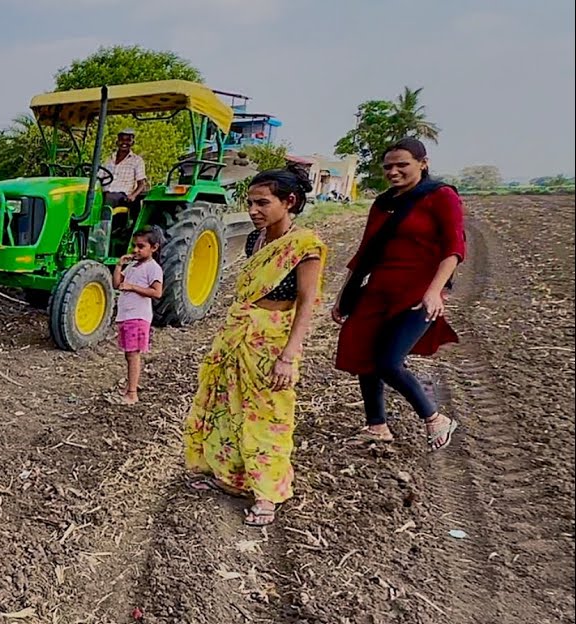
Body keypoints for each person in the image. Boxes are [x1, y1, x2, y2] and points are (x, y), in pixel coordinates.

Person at [183, 165, 326, 527]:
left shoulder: (305, 246)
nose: (253, 210)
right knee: (227, 404)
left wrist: (288, 356)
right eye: (250, 203)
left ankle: (267, 494)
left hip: (272, 340)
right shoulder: (254, 240)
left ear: (289, 201)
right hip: (239, 333)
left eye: (262, 203)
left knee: (268, 415)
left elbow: (307, 303)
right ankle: (230, 477)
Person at [331, 138, 462, 450]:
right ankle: (377, 426)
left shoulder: (441, 196)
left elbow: (454, 248)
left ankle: (435, 418)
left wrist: (435, 291)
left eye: (402, 165)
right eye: (388, 166)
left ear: (423, 163)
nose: (393, 171)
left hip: (417, 293)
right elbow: (365, 252)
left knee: (388, 362)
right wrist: (343, 295)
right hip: (378, 290)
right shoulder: (383, 203)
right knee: (362, 352)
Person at [110, 228, 164, 406]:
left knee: (133, 355)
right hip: (126, 316)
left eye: (141, 246)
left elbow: (157, 292)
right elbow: (117, 284)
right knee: (129, 354)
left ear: (154, 248)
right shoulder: (133, 266)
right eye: (134, 246)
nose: (135, 250)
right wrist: (119, 265)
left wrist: (133, 287)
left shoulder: (153, 268)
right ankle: (130, 387)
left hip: (138, 317)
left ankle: (132, 393)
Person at [102, 128, 148, 233]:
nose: (124, 143)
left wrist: (133, 195)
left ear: (132, 143)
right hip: (104, 192)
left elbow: (142, 183)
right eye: (122, 139)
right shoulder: (109, 159)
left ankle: (102, 231)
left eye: (128, 140)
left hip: (122, 196)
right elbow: (99, 176)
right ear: (117, 141)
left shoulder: (137, 160)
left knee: (107, 199)